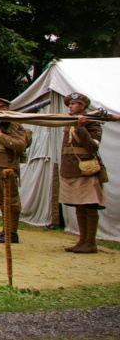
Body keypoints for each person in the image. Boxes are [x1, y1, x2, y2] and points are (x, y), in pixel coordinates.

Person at [60, 92, 105, 254]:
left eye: (74, 104)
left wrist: (81, 129)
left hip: (86, 170)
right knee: (79, 206)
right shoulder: (67, 121)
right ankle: (82, 240)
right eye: (70, 104)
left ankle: (90, 242)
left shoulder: (92, 123)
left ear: (83, 106)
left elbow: (93, 147)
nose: (70, 106)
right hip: (71, 170)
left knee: (89, 206)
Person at [0, 96, 29, 244]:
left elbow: (21, 144)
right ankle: (6, 229)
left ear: (4, 109)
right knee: (2, 200)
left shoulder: (14, 125)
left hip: (7, 166)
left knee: (11, 200)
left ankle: (11, 232)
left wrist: (1, 137)